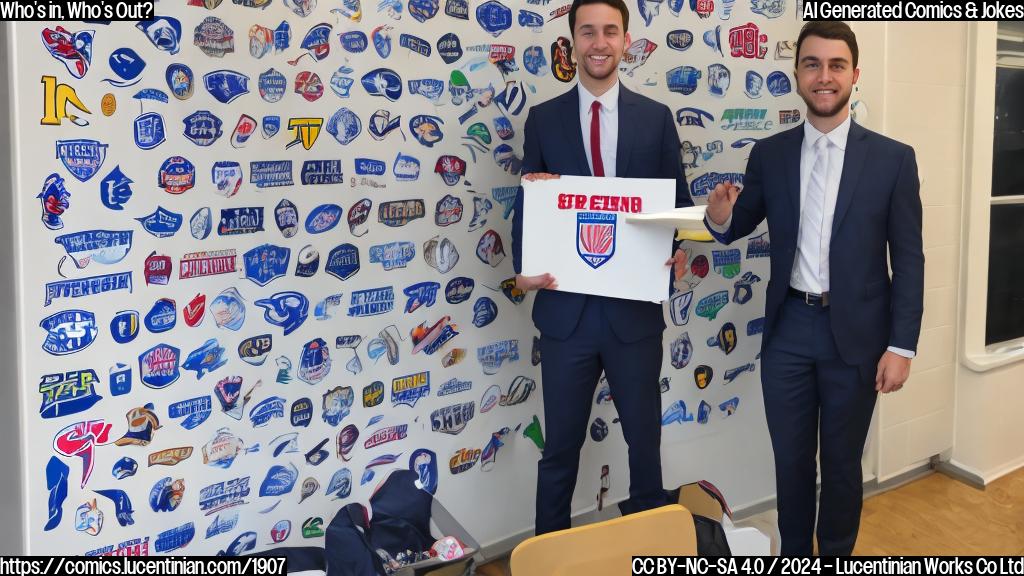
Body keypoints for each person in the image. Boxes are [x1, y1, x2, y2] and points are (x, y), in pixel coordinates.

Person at [703, 21, 924, 555]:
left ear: (854, 74)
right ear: (797, 74)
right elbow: (739, 222)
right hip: (788, 333)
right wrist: (718, 217)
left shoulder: (893, 159)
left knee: (843, 465)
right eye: (812, 64)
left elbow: (909, 258)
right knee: (792, 462)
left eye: (835, 65)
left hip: (858, 337)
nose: (824, 76)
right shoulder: (771, 154)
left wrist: (901, 346)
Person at [510, 0, 692, 535]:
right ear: (570, 43)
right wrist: (524, 266)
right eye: (587, 31)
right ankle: (545, 566)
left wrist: (675, 250)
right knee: (559, 452)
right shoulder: (543, 119)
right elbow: (529, 202)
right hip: (566, 315)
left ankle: (652, 553)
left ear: (626, 41)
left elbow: (674, 207)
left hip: (634, 316)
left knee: (646, 447)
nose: (599, 42)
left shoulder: (656, 119)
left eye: (610, 31)